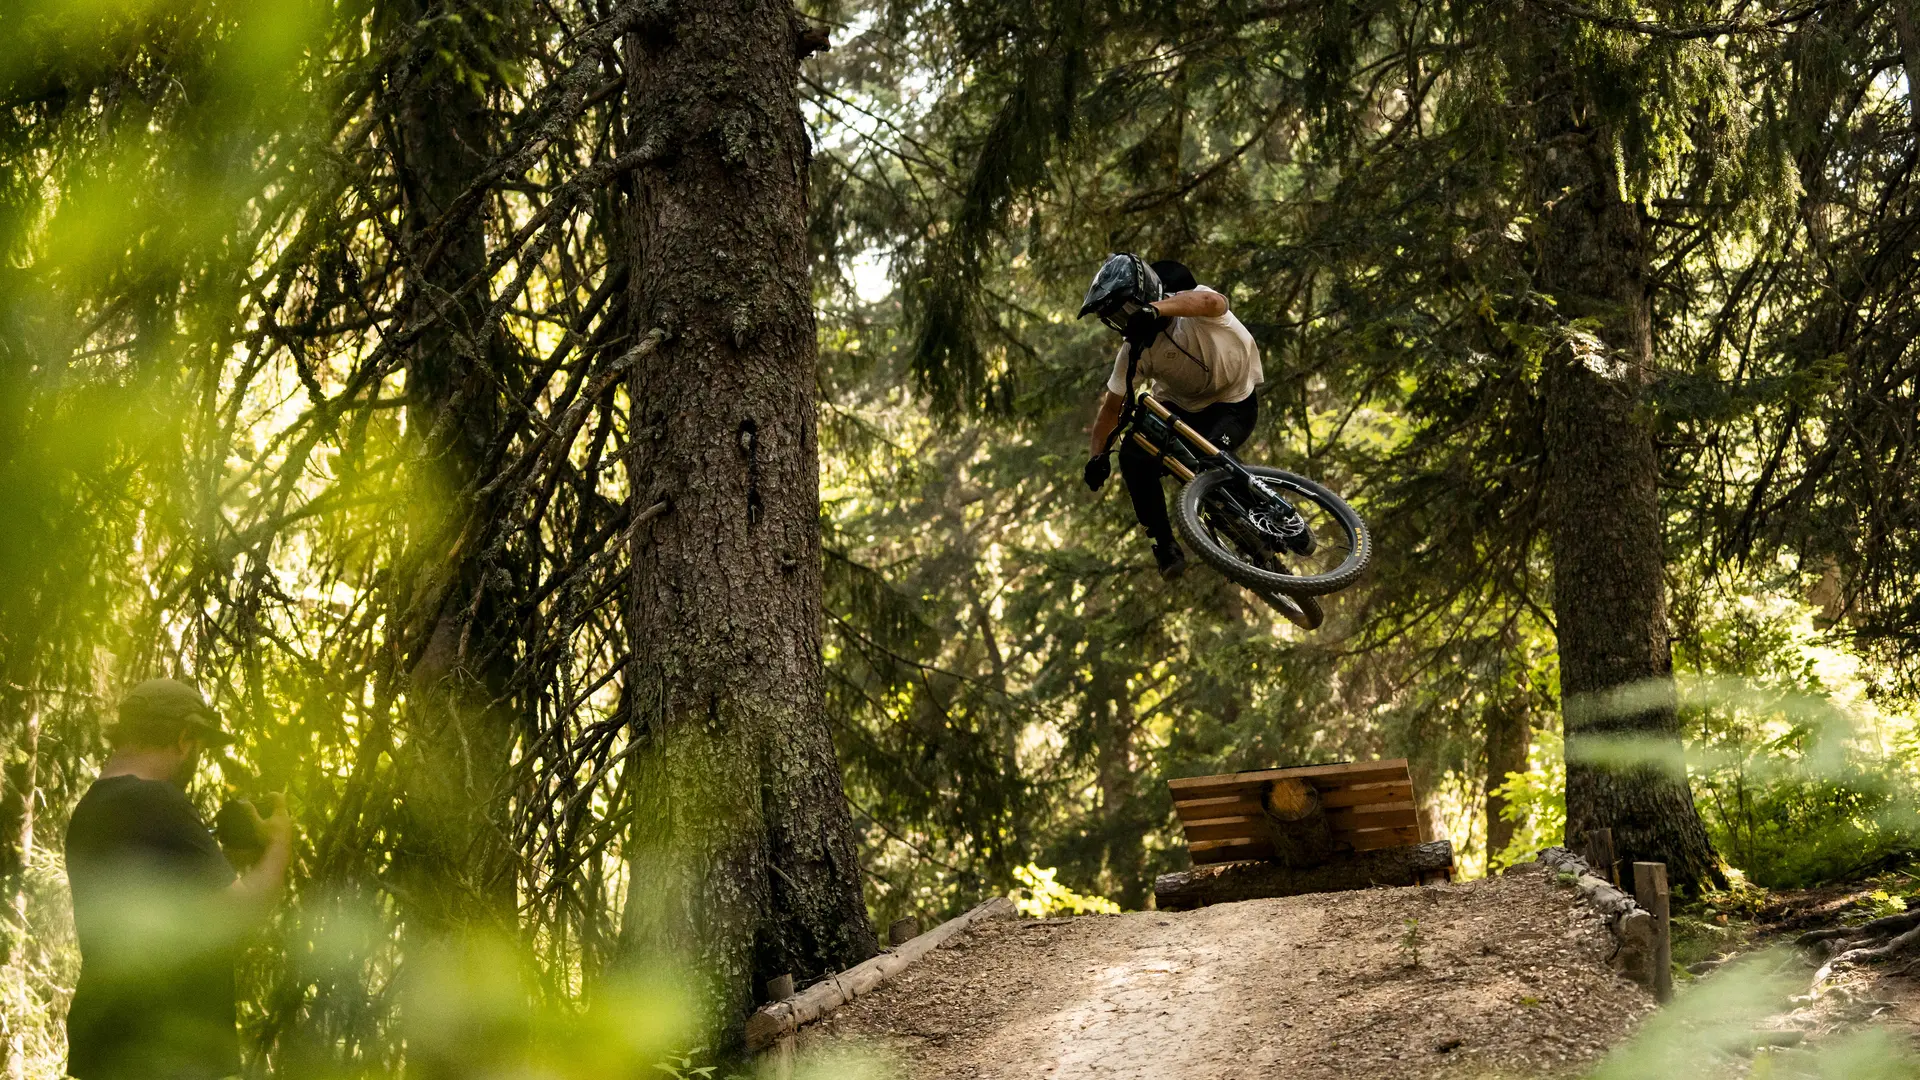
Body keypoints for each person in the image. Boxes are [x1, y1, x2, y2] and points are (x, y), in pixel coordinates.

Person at [64, 678, 294, 1080]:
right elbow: (244, 914)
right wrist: (279, 844)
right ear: (184, 737)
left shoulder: (91, 808)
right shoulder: (160, 802)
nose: (198, 759)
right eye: (201, 748)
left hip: (104, 1044)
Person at [1079, 255, 1264, 579]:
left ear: (1145, 294)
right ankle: (1165, 545)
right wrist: (1096, 457)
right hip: (1185, 409)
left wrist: (1156, 310)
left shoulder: (1191, 306)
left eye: (1127, 310)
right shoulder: (1136, 350)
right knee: (1133, 455)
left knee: (1212, 458)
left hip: (1234, 403)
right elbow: (1111, 409)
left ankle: (1265, 511)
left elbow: (1212, 301)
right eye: (1117, 317)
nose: (1125, 321)